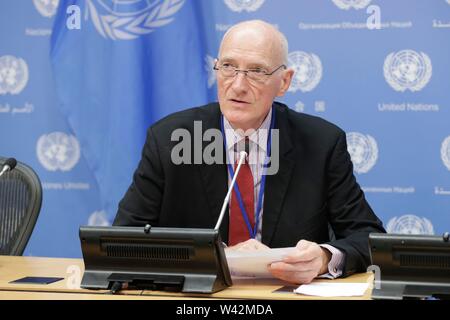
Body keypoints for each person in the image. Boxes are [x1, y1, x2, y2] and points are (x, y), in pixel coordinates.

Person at [113, 20, 385, 284]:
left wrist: (325, 258)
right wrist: (214, 258)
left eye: (257, 71)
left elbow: (369, 238)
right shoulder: (170, 139)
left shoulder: (321, 143)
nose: (239, 85)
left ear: (284, 82)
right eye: (229, 67)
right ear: (216, 69)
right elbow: (122, 242)